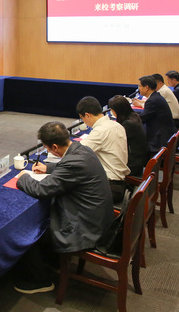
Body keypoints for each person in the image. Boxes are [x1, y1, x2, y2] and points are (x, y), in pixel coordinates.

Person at [14, 121, 114, 293]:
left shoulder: (74, 162)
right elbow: (66, 167)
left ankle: (39, 280)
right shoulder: (83, 150)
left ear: (54, 147)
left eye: (47, 148)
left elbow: (41, 189)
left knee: (28, 232)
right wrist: (48, 167)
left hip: (87, 229)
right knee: (45, 220)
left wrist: (23, 177)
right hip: (98, 219)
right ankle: (53, 261)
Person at [76, 96, 130, 203]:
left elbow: (76, 152)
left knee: (67, 192)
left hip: (109, 187)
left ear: (87, 115)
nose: (83, 121)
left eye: (82, 118)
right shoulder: (116, 125)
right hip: (120, 182)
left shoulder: (100, 131)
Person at [108, 95, 149, 177]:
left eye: (112, 110)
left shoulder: (128, 124)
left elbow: (116, 142)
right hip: (139, 158)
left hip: (133, 164)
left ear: (117, 111)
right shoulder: (134, 116)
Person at [134, 75, 176, 154]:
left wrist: (128, 116)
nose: (139, 88)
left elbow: (142, 118)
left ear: (146, 88)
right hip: (165, 132)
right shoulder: (155, 96)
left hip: (160, 139)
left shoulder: (153, 100)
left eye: (140, 86)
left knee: (136, 139)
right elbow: (146, 114)